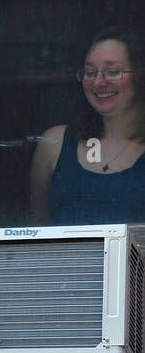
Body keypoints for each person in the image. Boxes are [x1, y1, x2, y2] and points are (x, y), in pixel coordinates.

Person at [30, 27, 145, 225]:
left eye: (113, 71)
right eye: (90, 72)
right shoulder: (55, 143)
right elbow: (36, 232)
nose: (98, 83)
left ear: (140, 76)